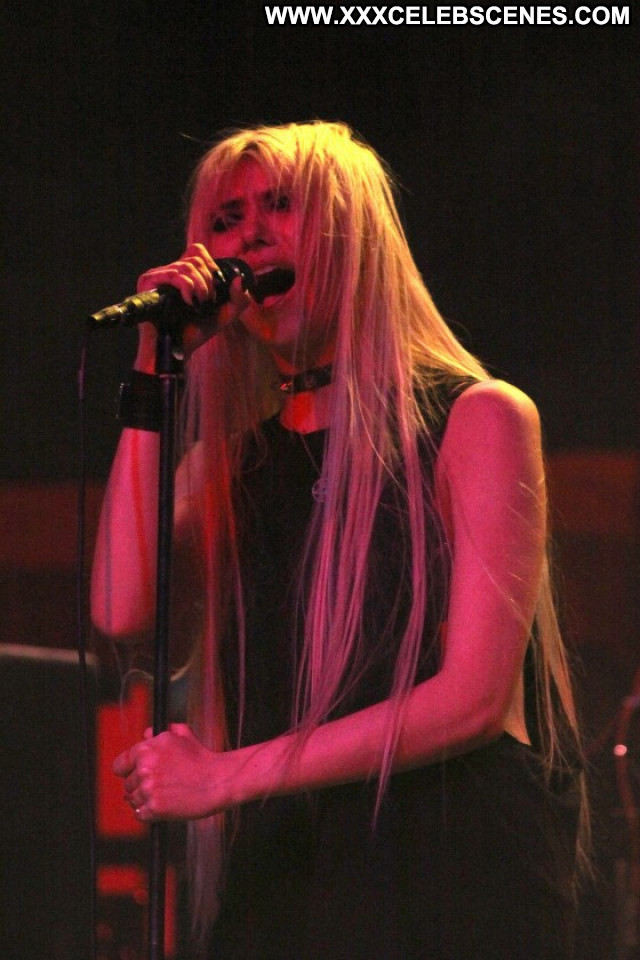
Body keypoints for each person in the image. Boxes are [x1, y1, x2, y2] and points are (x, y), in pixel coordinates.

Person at [91, 121, 587, 960]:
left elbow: (473, 700)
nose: (249, 237)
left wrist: (226, 774)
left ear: (356, 237)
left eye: (281, 206)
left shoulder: (478, 418)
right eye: (226, 220)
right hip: (285, 881)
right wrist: (153, 368)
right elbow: (119, 607)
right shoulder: (230, 467)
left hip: (444, 879)